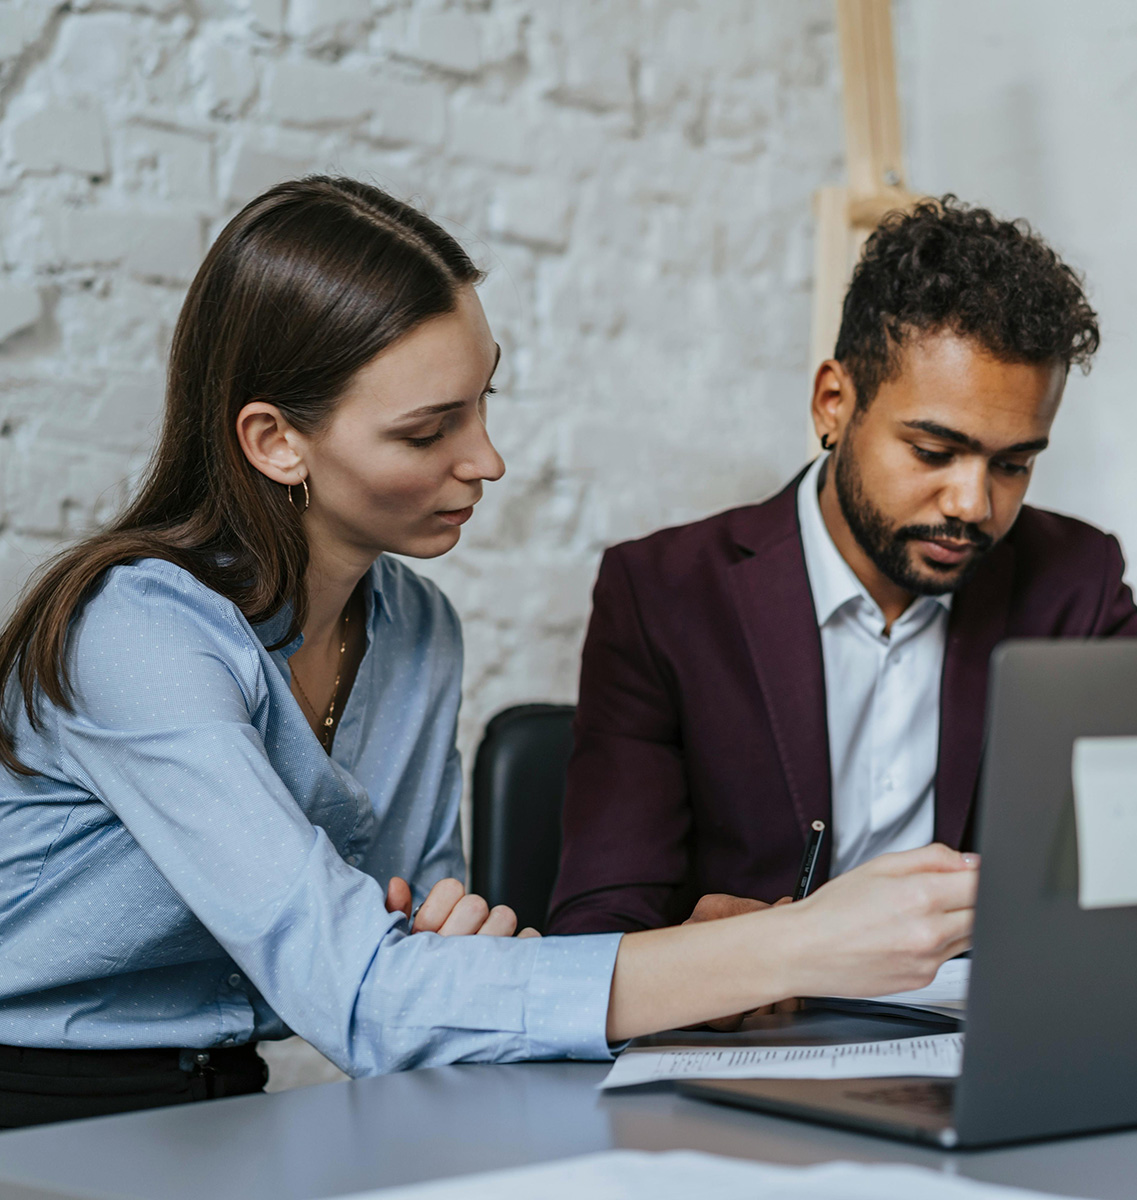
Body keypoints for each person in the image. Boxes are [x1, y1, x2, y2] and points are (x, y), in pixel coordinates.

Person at [0, 177, 978, 1129]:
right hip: (36, 1106)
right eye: (430, 431)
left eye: (483, 401)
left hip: (224, 1108)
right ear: (275, 441)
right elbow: (373, 996)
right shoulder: (138, 633)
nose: (487, 460)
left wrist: (632, 966)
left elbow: (429, 959)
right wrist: (787, 948)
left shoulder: (418, 630)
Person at [547, 197, 1137, 937]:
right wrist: (719, 961)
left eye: (1014, 464)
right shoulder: (663, 595)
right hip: (752, 1037)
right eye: (932, 452)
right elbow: (600, 923)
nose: (972, 503)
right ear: (834, 402)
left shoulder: (1078, 583)